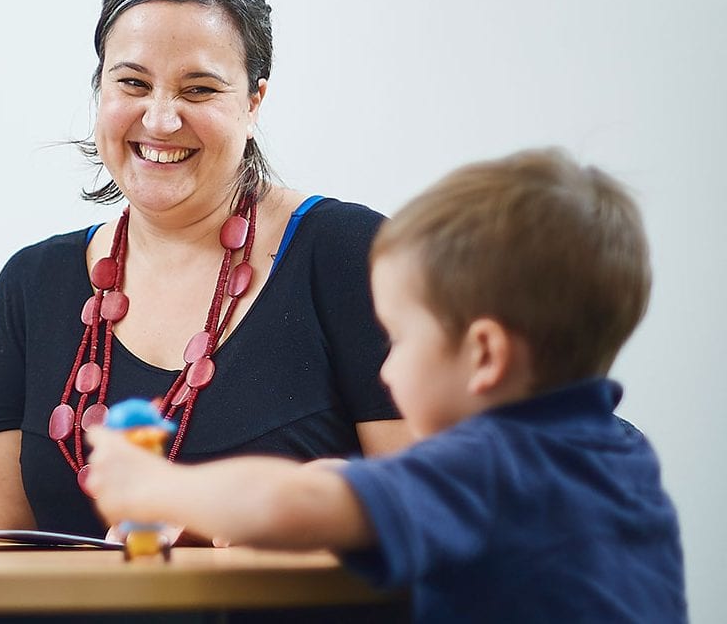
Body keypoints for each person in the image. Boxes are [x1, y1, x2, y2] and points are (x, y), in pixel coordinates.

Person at [85, 148, 687, 623]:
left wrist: (159, 487)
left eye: (399, 338)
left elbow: (293, 507)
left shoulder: (487, 466)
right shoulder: (620, 458)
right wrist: (346, 482)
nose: (386, 369)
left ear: (484, 354)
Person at [0, 0, 410, 537]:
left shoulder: (350, 253)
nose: (161, 119)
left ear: (253, 102)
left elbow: (431, 522)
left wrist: (233, 527)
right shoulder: (30, 284)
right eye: (132, 83)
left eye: (199, 89)